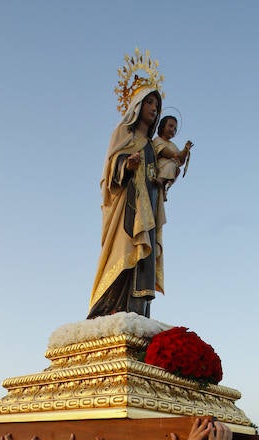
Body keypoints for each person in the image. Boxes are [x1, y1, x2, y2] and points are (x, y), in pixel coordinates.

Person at [88, 86, 165, 319]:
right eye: (150, 102)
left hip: (148, 209)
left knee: (144, 260)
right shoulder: (123, 133)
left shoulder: (153, 145)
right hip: (127, 209)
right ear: (138, 105)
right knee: (124, 253)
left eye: (156, 105)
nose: (154, 108)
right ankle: (112, 310)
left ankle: (138, 313)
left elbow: (157, 175)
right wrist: (126, 164)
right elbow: (109, 170)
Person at [152, 115, 192, 200]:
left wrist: (185, 150)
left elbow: (180, 159)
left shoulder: (173, 145)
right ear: (162, 127)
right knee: (171, 165)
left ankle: (164, 188)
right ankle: (161, 179)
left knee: (175, 167)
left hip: (172, 168)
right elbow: (163, 151)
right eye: (170, 126)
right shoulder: (158, 140)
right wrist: (175, 155)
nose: (173, 130)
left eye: (175, 129)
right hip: (160, 166)